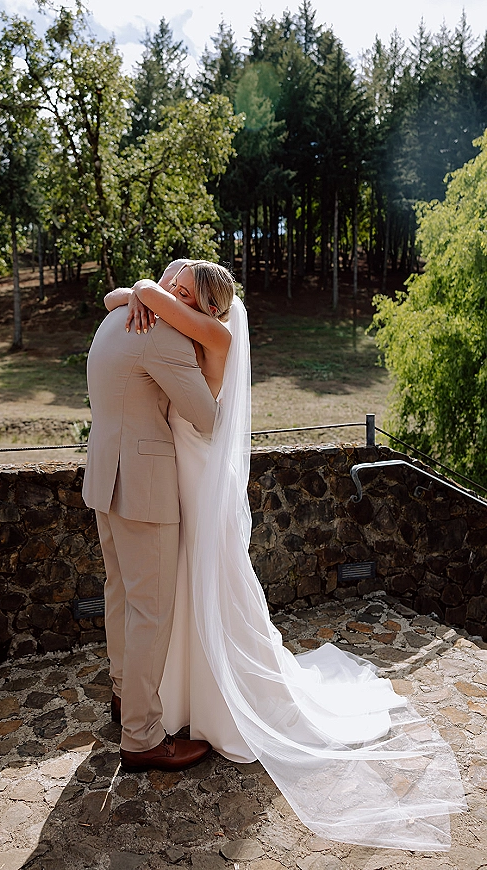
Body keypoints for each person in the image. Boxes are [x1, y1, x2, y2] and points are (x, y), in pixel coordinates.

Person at [104, 260, 466, 851]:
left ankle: (218, 702)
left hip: (196, 477)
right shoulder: (181, 327)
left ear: (210, 308)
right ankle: (171, 700)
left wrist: (144, 291)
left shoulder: (214, 336)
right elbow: (115, 298)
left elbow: (134, 298)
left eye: (185, 291)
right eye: (172, 286)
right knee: (173, 591)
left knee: (207, 582)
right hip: (176, 481)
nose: (172, 293)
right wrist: (141, 293)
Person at [82, 262, 218, 773]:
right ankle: (141, 737)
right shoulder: (163, 336)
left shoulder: (115, 317)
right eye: (174, 289)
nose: (176, 298)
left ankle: (123, 698)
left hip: (104, 476)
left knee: (119, 593)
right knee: (151, 611)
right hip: (143, 487)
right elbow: (206, 418)